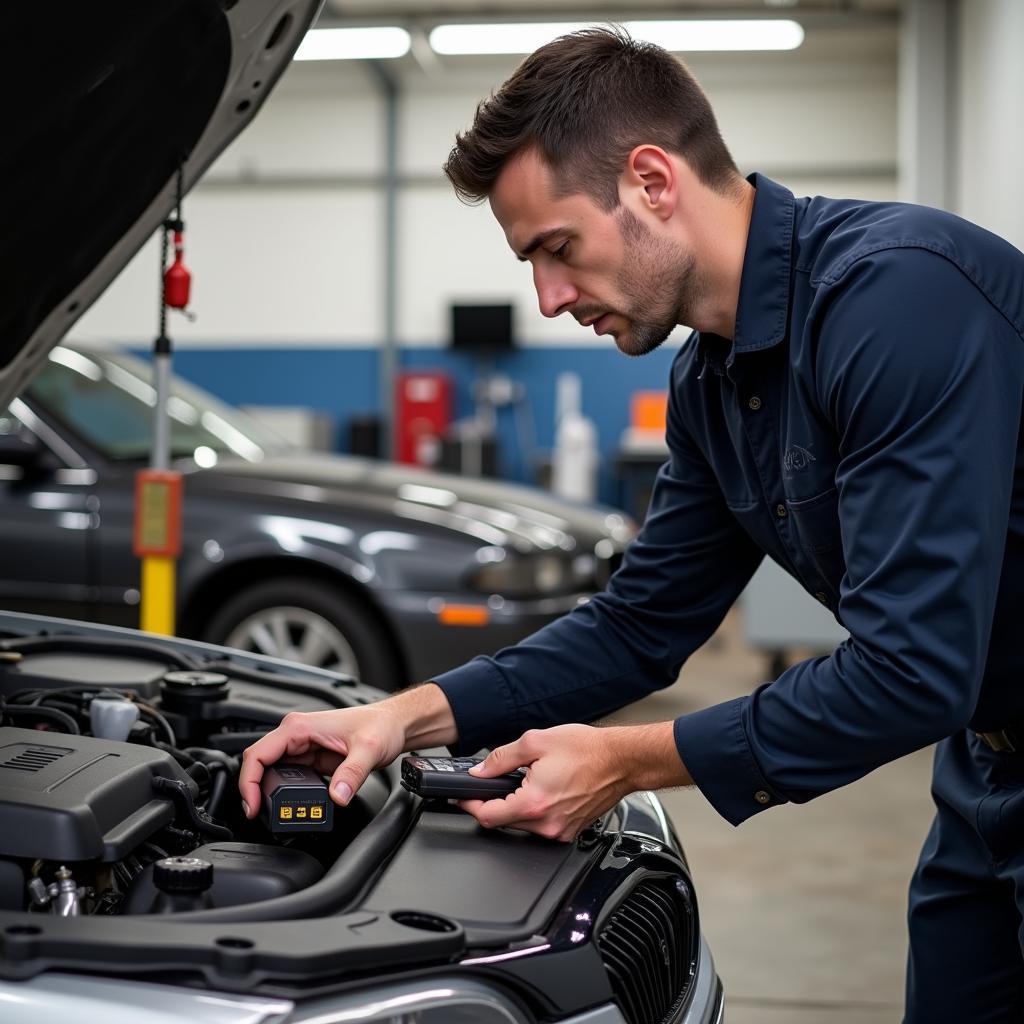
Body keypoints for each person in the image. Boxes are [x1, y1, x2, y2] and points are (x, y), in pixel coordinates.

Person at [239, 27, 1024, 1021]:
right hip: (984, 766)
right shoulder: (710, 382)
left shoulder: (899, 300)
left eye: (556, 250)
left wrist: (621, 761)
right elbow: (639, 623)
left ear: (652, 180)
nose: (550, 298)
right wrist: (394, 719)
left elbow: (911, 668)